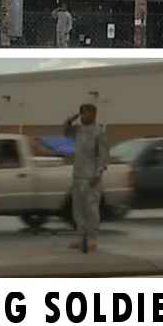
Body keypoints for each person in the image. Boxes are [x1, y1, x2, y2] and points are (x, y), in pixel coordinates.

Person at [63, 104, 109, 252]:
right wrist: (70, 120)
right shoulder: (79, 131)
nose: (84, 117)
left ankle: (92, 238)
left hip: (90, 178)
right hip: (77, 176)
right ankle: (82, 238)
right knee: (78, 209)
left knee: (91, 208)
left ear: (94, 115)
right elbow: (66, 132)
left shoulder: (98, 133)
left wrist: (98, 174)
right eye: (82, 114)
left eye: (87, 114)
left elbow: (103, 156)